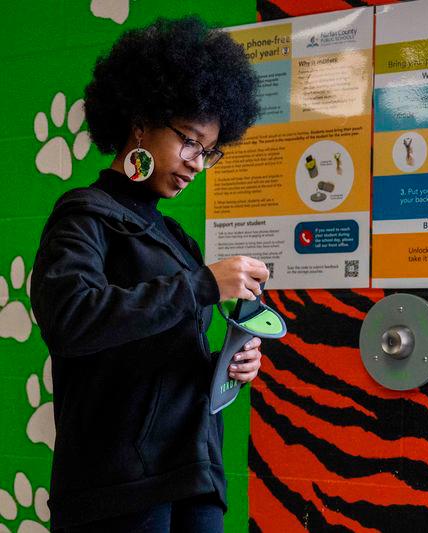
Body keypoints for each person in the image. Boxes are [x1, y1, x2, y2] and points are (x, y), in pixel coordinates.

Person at [30, 16, 268, 532]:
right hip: (119, 489)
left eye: (208, 152)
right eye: (188, 141)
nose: (196, 164)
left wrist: (225, 363)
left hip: (195, 476)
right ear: (141, 122)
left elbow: (159, 352)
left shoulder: (179, 242)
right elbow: (71, 319)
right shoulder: (84, 216)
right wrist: (204, 284)